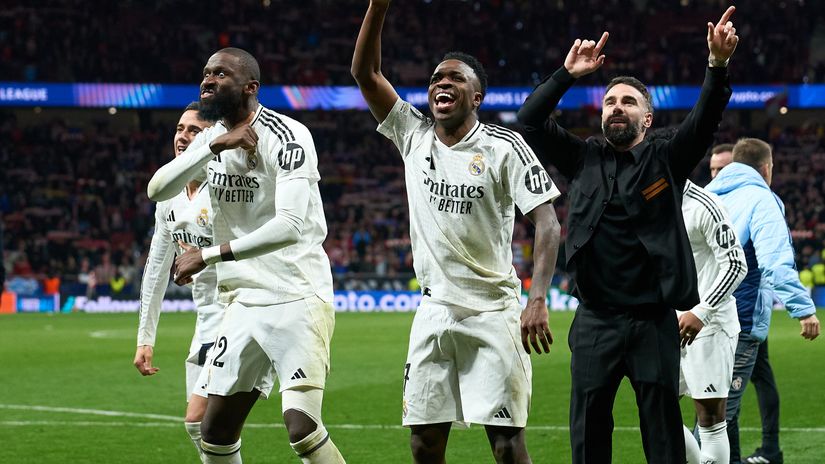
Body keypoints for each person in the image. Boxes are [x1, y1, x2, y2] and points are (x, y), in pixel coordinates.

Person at [517, 7, 739, 463]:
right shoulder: (582, 158)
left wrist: (717, 66)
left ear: (648, 119)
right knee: (588, 433)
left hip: (653, 321)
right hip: (595, 319)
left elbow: (706, 119)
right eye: (610, 102)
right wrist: (566, 74)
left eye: (628, 102)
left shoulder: (667, 160)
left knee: (663, 436)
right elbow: (530, 121)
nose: (617, 107)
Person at [351, 1, 562, 463]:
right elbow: (365, 74)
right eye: (435, 79)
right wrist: (379, 6)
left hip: (493, 311)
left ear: (477, 97)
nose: (441, 83)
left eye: (454, 79)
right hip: (433, 311)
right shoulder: (413, 134)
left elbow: (547, 222)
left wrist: (539, 298)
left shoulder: (504, 147)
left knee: (506, 445)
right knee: (424, 443)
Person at [147, 48, 344, 464]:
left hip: (296, 294)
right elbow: (157, 190)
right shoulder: (210, 137)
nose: (208, 80)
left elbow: (290, 226)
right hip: (240, 303)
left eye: (220, 73)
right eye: (205, 73)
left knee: (302, 427)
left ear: (250, 87)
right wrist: (213, 145)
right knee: (213, 432)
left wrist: (209, 255)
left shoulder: (288, 135)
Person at [134, 102, 240, 460]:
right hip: (207, 319)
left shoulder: (229, 187)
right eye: (180, 129)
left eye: (193, 130)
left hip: (242, 311)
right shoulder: (169, 197)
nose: (183, 137)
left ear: (211, 138)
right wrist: (145, 339)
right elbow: (155, 268)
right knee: (201, 428)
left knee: (199, 419)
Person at [705, 138, 820, 464]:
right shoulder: (762, 199)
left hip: (698, 317)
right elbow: (774, 259)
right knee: (717, 417)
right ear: (767, 168)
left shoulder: (702, 196)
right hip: (739, 319)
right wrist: (803, 308)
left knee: (713, 408)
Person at [709, 141, 785, 464]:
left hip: (743, 313)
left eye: (722, 169)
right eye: (712, 170)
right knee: (747, 384)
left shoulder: (756, 201)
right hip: (730, 312)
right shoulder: (710, 198)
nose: (717, 175)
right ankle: (764, 451)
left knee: (719, 404)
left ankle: (761, 449)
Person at [679, 179, 748, 464]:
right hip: (665, 322)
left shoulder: (704, 204)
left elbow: (736, 264)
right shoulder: (649, 199)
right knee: (656, 408)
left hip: (708, 324)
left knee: (709, 417)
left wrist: (702, 310)